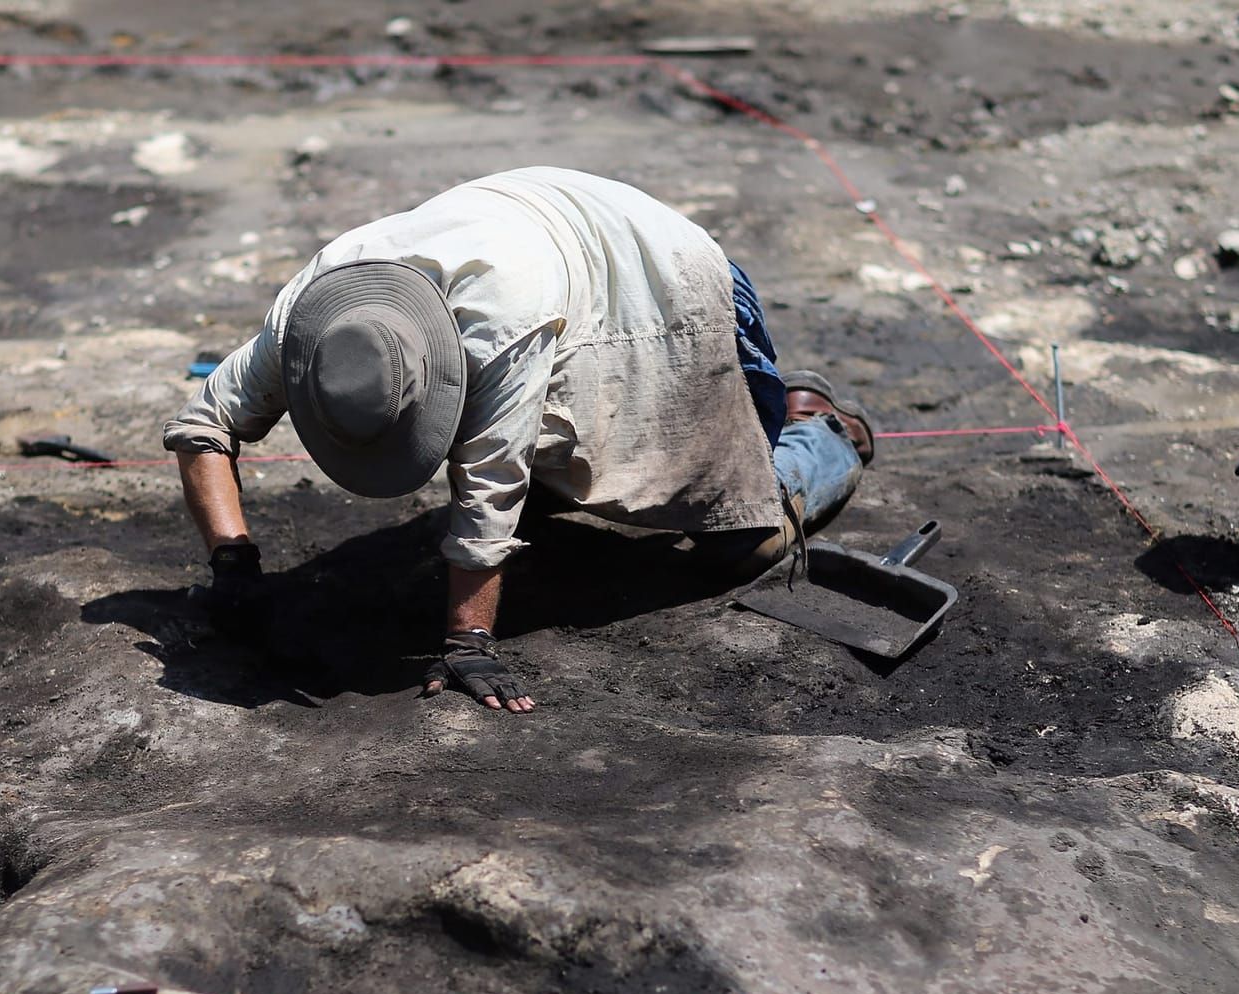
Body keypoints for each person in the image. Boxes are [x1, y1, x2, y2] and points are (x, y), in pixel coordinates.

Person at [164, 166, 873, 715]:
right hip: (549, 238)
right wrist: (233, 565)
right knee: (543, 483)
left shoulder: (498, 329)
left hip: (662, 279)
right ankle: (772, 401)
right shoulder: (314, 317)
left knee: (743, 541)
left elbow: (490, 487)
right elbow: (202, 426)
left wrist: (467, 640)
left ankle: (819, 430)